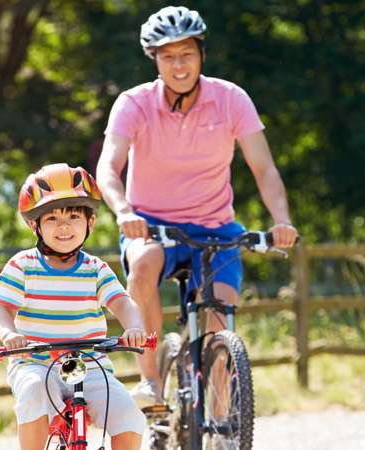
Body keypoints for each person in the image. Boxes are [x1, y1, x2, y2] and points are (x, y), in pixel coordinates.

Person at [96, 5, 299, 407]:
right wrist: (123, 211)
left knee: (221, 311)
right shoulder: (133, 104)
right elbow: (108, 166)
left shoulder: (231, 100)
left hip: (216, 226)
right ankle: (151, 379)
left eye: (186, 53)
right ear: (154, 59)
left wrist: (282, 220)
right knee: (143, 263)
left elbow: (264, 168)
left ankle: (221, 417)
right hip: (151, 225)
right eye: (168, 56)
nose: (179, 64)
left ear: (201, 54)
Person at [0, 163, 148, 450]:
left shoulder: (96, 269)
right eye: (52, 218)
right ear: (34, 225)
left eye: (74, 216)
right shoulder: (23, 265)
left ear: (90, 222)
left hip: (89, 364)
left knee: (128, 413)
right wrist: (9, 335)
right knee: (34, 391)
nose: (64, 226)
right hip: (35, 363)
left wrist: (134, 326)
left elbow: (122, 303)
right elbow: (1, 310)